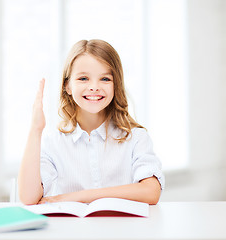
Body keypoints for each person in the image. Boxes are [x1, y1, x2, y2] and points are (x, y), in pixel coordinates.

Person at [18, 39, 165, 205]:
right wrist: (35, 129)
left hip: (125, 230)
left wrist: (77, 197)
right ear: (68, 86)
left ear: (116, 85)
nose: (94, 87)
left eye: (105, 79)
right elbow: (28, 198)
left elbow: (151, 192)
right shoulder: (54, 142)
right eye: (83, 79)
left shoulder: (136, 137)